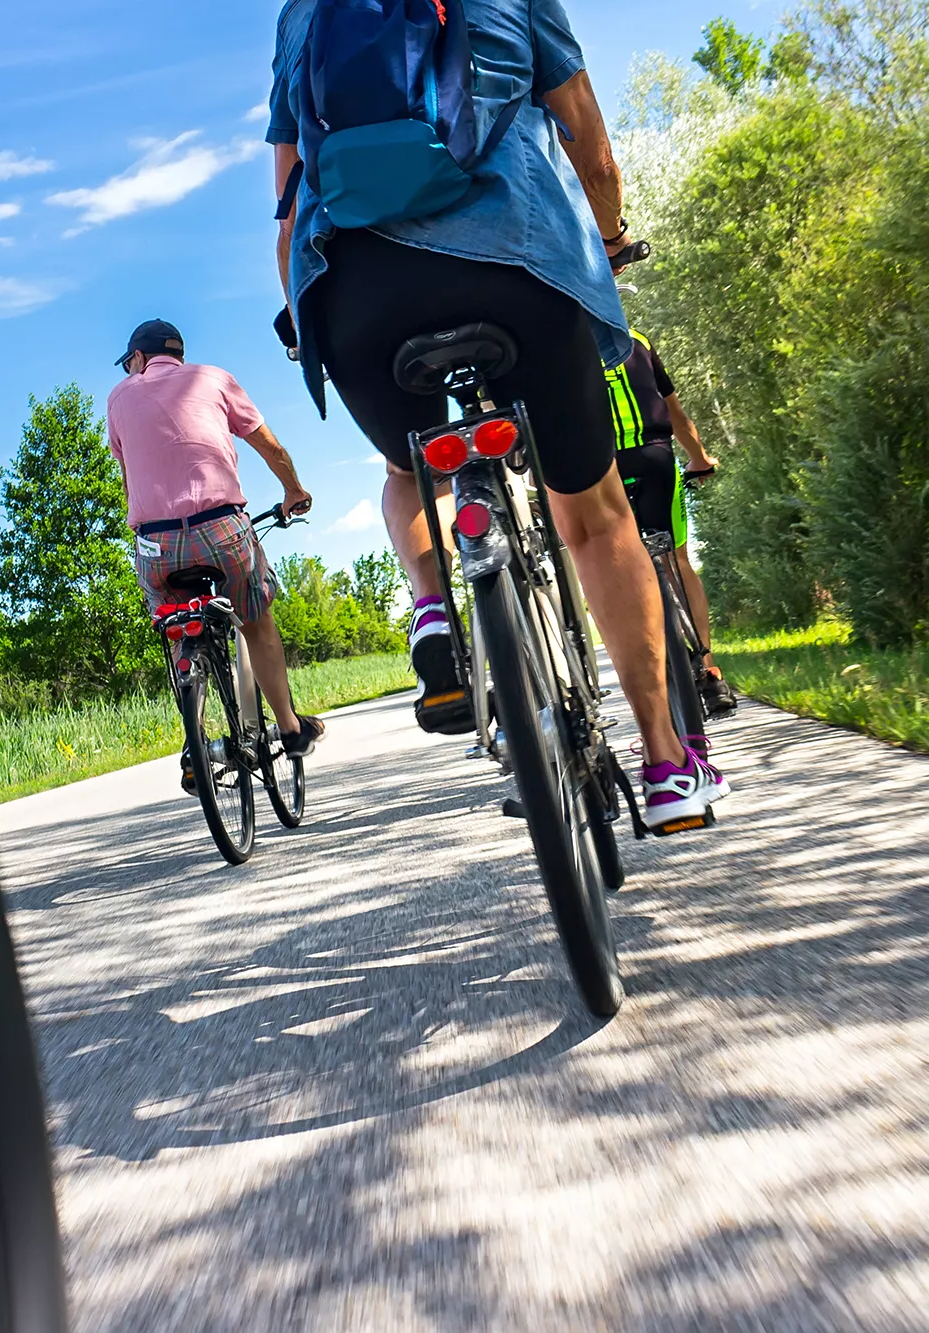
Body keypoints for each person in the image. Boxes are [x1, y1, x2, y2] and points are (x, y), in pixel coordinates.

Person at [266, 0, 727, 830]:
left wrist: (306, 318)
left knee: (412, 468)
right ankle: (665, 762)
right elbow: (588, 136)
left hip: (355, 288)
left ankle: (434, 605)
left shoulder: (304, 13)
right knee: (592, 513)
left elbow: (290, 196)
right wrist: (610, 240)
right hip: (517, 259)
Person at [106, 318, 326, 766]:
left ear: (141, 358)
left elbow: (130, 478)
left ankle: (195, 746)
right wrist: (293, 491)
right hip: (220, 528)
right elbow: (271, 448)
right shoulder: (213, 379)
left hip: (154, 545)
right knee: (256, 621)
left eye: (131, 363)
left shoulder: (118, 398)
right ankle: (290, 727)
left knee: (177, 631)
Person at [606, 329, 738, 716]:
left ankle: (647, 684)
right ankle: (710, 671)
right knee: (676, 561)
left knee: (614, 570)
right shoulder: (636, 341)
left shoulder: (564, 341)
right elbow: (676, 415)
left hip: (602, 469)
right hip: (655, 456)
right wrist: (699, 458)